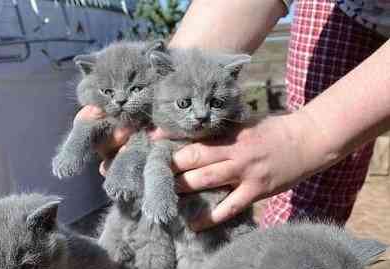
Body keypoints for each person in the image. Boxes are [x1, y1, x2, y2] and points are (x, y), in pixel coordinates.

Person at [75, 0, 390, 231]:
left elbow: (306, 140)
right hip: (348, 7)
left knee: (306, 158)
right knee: (308, 189)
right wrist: (170, 74)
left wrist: (307, 136)